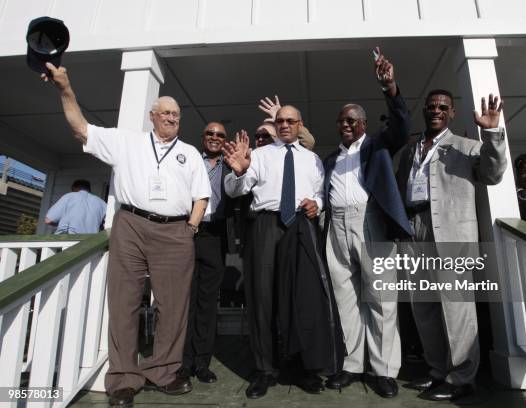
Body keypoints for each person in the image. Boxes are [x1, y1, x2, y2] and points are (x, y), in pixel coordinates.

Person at [41, 63, 211, 408]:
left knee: (174, 307)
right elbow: (80, 129)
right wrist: (65, 88)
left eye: (176, 114)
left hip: (177, 231)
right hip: (131, 226)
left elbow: (202, 196)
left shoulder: (190, 153)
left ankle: (163, 371)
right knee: (124, 302)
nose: (171, 118)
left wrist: (191, 227)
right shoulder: (126, 142)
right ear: (152, 116)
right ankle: (123, 380)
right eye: (165, 112)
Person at [396, 90, 507, 401]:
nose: (435, 110)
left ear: (452, 113)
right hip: (414, 229)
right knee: (425, 306)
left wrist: (492, 132)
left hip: (451, 232)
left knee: (456, 307)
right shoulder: (410, 150)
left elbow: (494, 174)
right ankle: (437, 371)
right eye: (431, 106)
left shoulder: (467, 146)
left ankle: (461, 377)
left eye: (443, 107)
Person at [322, 47, 412, 399]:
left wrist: (389, 87)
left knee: (381, 299)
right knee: (346, 298)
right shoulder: (330, 159)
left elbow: (403, 126)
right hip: (336, 227)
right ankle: (352, 365)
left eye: (351, 121)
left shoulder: (377, 146)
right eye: (341, 121)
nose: (345, 125)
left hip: (370, 222)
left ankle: (384, 370)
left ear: (362, 124)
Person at [223, 106, 325, 398]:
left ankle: (301, 367)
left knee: (301, 299)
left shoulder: (313, 159)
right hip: (266, 225)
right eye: (279, 121)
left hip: (301, 227)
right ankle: (265, 370)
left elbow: (320, 192)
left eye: (290, 121)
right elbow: (234, 189)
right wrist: (239, 171)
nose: (284, 125)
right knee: (262, 298)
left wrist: (317, 203)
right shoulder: (261, 154)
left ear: (300, 124)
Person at [178, 122, 233, 384]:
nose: (214, 137)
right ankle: (183, 362)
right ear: (203, 138)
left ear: (225, 140)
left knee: (208, 302)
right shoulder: (189, 160)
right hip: (188, 232)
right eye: (210, 134)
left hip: (215, 235)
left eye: (220, 135)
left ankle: (202, 363)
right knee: (186, 301)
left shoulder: (230, 164)